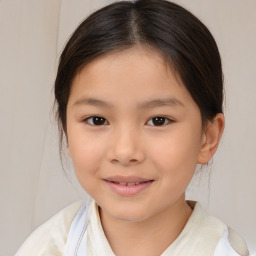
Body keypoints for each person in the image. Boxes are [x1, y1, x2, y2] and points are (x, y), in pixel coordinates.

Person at [15, 0, 253, 255]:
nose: (125, 151)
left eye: (158, 120)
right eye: (97, 120)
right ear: (66, 133)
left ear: (208, 137)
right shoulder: (46, 248)